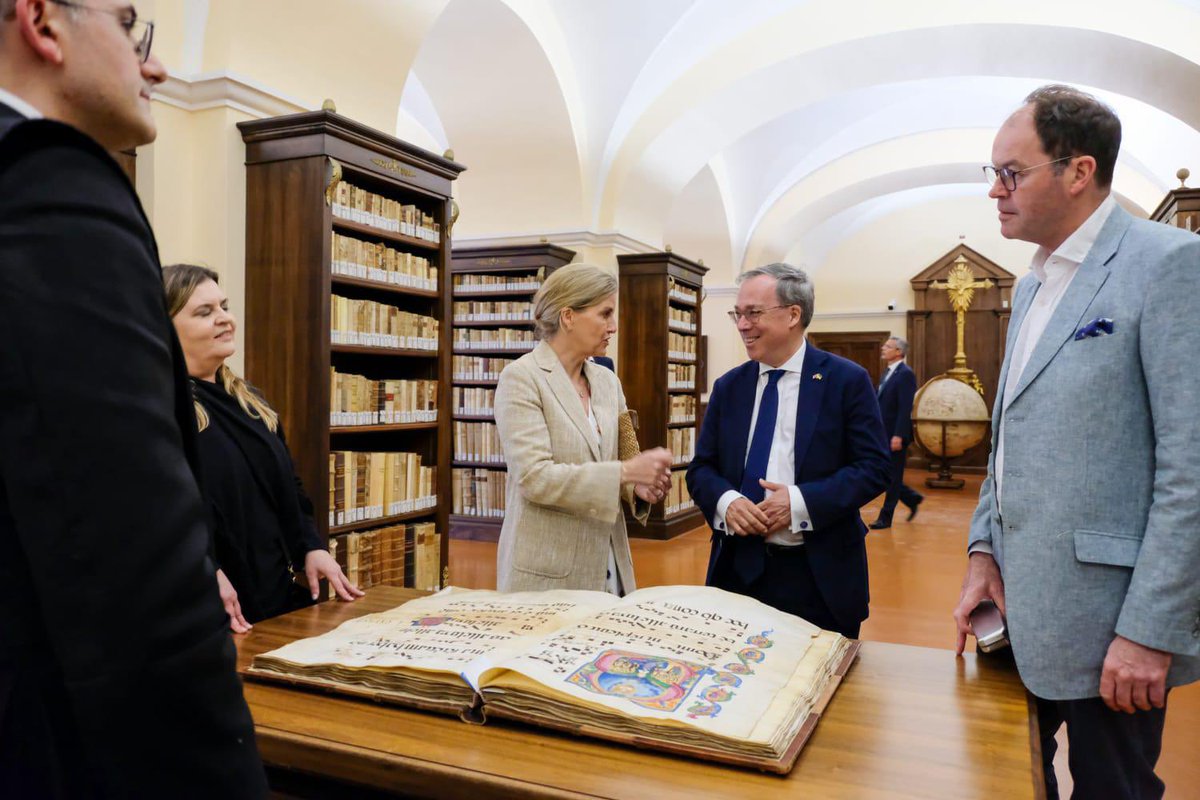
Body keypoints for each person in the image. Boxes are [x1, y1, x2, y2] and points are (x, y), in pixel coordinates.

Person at [0, 1, 266, 796]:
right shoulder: (52, 185)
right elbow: (133, 551)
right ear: (42, 21)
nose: (154, 65)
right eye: (129, 28)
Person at [953, 85, 1200, 799]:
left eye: (1012, 173)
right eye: (992, 173)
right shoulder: (1031, 286)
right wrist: (980, 554)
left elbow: (1190, 469)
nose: (995, 192)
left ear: (1078, 172)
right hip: (1016, 612)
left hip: (1112, 630)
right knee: (1013, 782)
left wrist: (1151, 631)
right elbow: (1010, 438)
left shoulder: (1170, 264)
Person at [687, 263, 890, 638]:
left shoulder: (845, 381)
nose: (742, 325)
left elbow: (874, 468)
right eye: (739, 314)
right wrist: (727, 502)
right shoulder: (729, 387)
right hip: (736, 574)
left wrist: (798, 503)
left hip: (818, 578)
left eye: (753, 313)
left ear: (793, 314)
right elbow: (702, 469)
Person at [164, 264, 363, 631]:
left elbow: (290, 486)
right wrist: (203, 571)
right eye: (205, 312)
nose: (225, 319)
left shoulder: (249, 402)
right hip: (208, 608)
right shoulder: (161, 412)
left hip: (274, 597)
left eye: (224, 306)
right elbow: (158, 515)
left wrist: (310, 546)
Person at [494, 263, 672, 594]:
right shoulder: (521, 379)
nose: (614, 326)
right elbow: (534, 479)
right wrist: (625, 472)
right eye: (605, 313)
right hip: (548, 575)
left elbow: (622, 456)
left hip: (609, 564)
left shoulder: (607, 382)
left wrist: (639, 488)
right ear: (568, 317)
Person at [869, 336, 923, 529]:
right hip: (883, 434)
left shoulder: (905, 374)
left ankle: (886, 517)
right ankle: (910, 497)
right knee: (885, 475)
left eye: (888, 346)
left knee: (892, 475)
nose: (883, 348)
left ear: (898, 352)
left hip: (895, 435)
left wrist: (899, 435)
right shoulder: (887, 373)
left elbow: (904, 407)